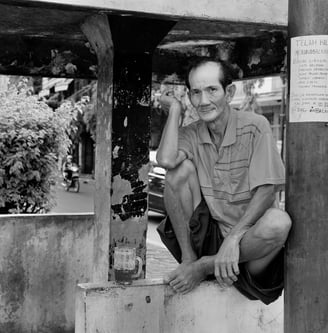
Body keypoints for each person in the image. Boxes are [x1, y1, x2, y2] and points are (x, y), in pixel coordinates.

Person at [156, 58, 292, 305]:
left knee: (278, 222)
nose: (204, 101)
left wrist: (234, 238)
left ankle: (203, 267)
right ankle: (190, 261)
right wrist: (176, 110)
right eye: (196, 93)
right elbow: (166, 160)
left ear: (228, 92)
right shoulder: (192, 133)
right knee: (177, 171)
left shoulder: (255, 126)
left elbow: (267, 191)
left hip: (251, 250)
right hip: (212, 237)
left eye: (211, 90)